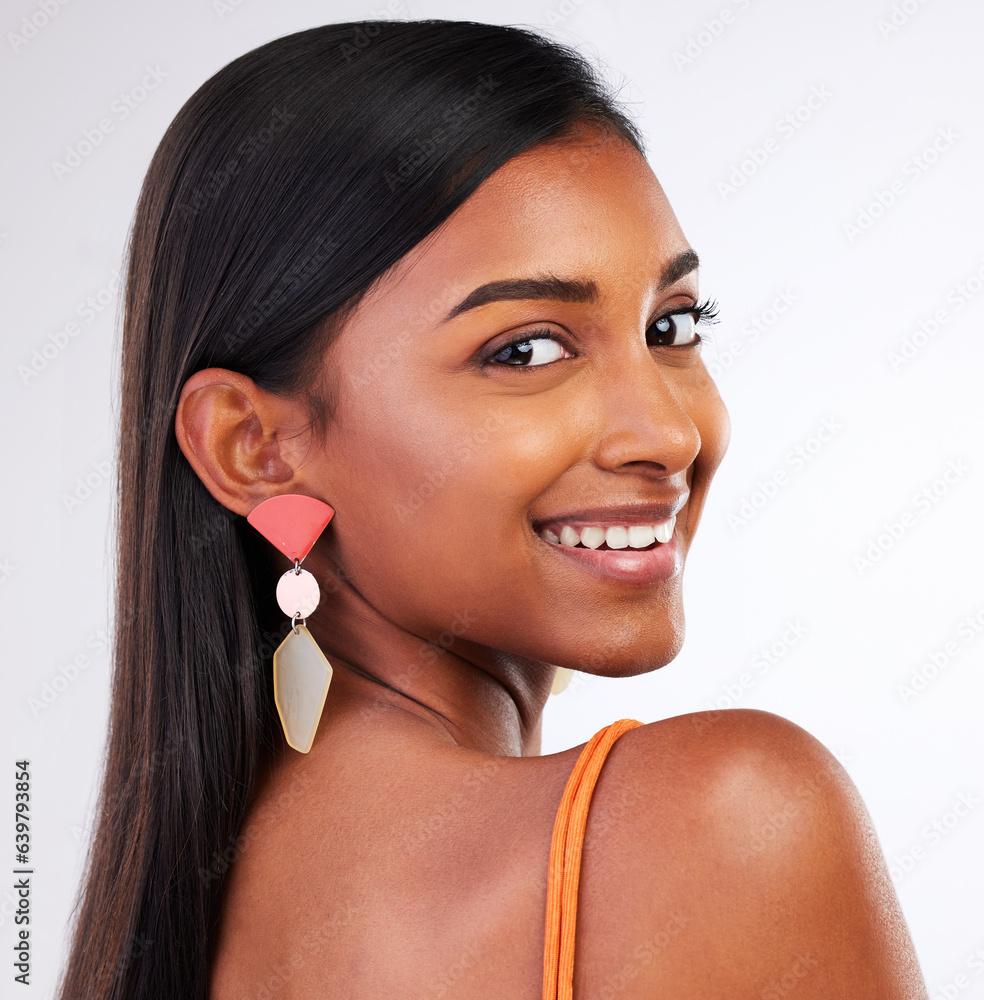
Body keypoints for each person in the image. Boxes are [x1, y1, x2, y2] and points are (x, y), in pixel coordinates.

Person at [57, 19, 929, 1000]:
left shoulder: (182, 921)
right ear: (252, 447)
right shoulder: (723, 818)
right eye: (525, 349)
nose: (667, 433)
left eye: (670, 326)